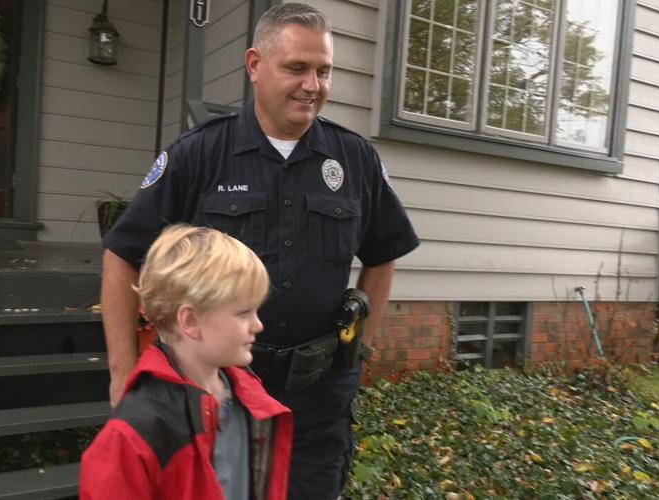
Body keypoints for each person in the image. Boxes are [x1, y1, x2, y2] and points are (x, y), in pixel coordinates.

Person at [100, 3, 419, 498]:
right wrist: (123, 374)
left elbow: (384, 252)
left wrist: (361, 351)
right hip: (217, 393)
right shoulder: (199, 154)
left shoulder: (354, 158)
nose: (313, 84)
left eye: (323, 70)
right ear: (254, 65)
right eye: (297, 68)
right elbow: (123, 254)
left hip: (317, 400)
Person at [81, 225, 293, 499]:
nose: (258, 325)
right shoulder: (136, 432)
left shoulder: (246, 395)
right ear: (190, 320)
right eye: (244, 313)